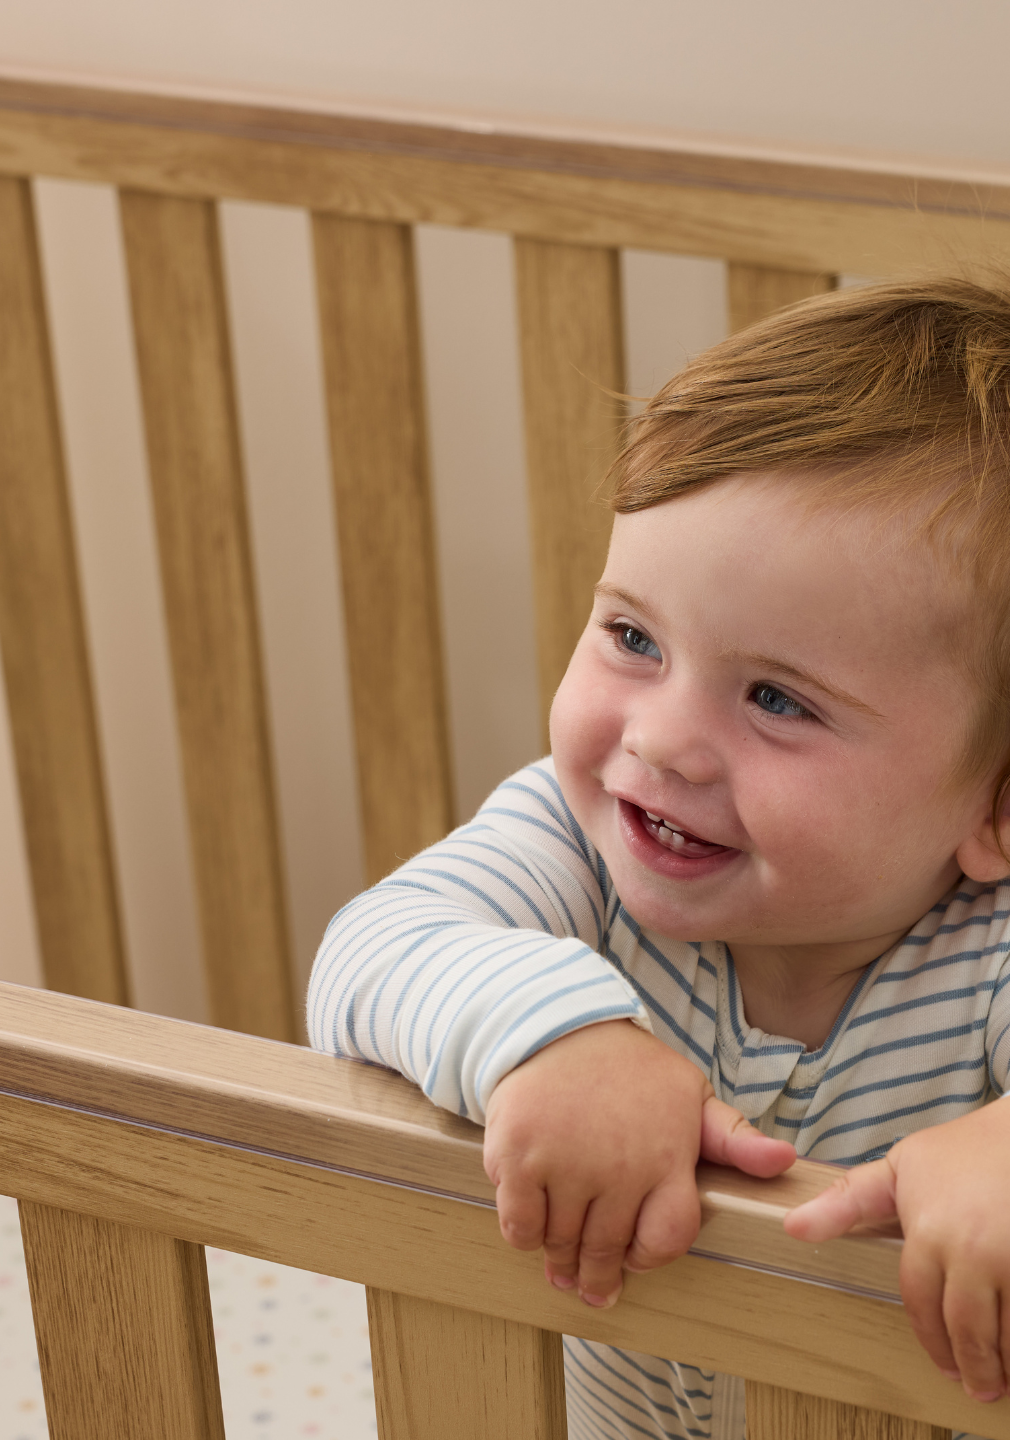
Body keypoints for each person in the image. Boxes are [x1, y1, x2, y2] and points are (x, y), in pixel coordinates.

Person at [308, 275, 1010, 1440]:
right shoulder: (577, 847)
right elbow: (369, 951)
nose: (660, 737)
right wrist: (560, 1034)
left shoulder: (987, 959)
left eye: (779, 699)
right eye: (633, 635)